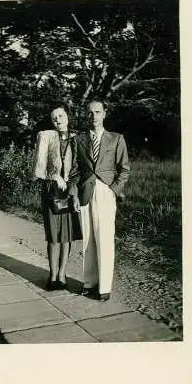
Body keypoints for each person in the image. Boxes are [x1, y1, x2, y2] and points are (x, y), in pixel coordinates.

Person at [71, 99, 131, 301]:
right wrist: (74, 194)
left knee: (104, 238)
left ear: (105, 113)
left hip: (106, 192)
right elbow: (74, 171)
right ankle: (89, 283)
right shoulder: (78, 140)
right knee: (88, 238)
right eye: (89, 112)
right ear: (85, 115)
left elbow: (124, 169)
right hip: (85, 193)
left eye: (97, 112)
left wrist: (113, 189)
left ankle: (104, 287)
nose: (93, 116)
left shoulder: (116, 139)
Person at [33, 103, 83, 291]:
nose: (58, 120)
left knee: (67, 236)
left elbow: (79, 168)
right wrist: (54, 176)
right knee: (54, 236)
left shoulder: (76, 138)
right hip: (51, 191)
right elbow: (39, 167)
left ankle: (62, 274)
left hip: (70, 192)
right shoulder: (45, 136)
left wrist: (72, 189)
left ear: (67, 117)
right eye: (54, 117)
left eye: (61, 116)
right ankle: (52, 275)